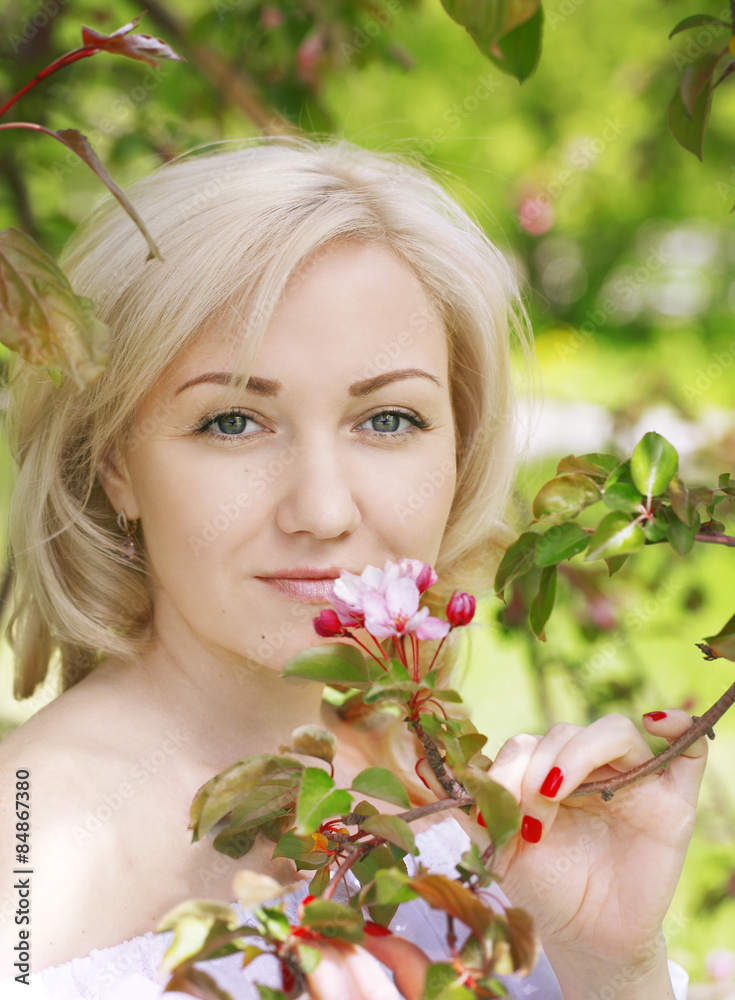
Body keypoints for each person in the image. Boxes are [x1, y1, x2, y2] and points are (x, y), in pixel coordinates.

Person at [0, 136, 703, 1000]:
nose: (324, 511)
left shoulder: (449, 791)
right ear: (115, 463)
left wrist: (613, 967)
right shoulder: (33, 856)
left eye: (387, 420)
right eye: (232, 423)